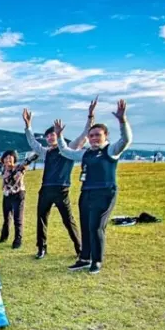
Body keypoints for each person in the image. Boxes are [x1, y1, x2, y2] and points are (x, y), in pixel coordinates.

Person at [54, 99, 133, 274]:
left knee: (96, 227)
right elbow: (66, 151)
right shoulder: (87, 153)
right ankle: (84, 258)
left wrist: (122, 121)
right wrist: (59, 136)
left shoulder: (111, 151)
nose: (94, 138)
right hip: (87, 193)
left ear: (105, 136)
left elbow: (126, 139)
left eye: (98, 135)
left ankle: (96, 261)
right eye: (92, 135)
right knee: (85, 225)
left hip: (105, 193)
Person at [23, 97, 97, 259]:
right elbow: (33, 143)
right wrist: (28, 126)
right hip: (46, 189)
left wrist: (90, 116)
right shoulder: (46, 152)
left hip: (62, 189)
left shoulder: (69, 149)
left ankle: (80, 248)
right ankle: (41, 248)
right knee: (41, 218)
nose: (49, 137)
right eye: (47, 136)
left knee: (68, 221)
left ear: (58, 135)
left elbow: (85, 135)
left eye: (52, 135)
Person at [0, 150, 39, 249]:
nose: (7, 160)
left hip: (18, 195)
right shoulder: (3, 168)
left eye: (10, 157)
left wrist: (39, 152)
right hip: (7, 195)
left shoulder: (19, 167)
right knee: (6, 218)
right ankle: (4, 237)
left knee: (17, 219)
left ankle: (18, 240)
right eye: (5, 158)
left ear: (14, 159)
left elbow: (29, 160)